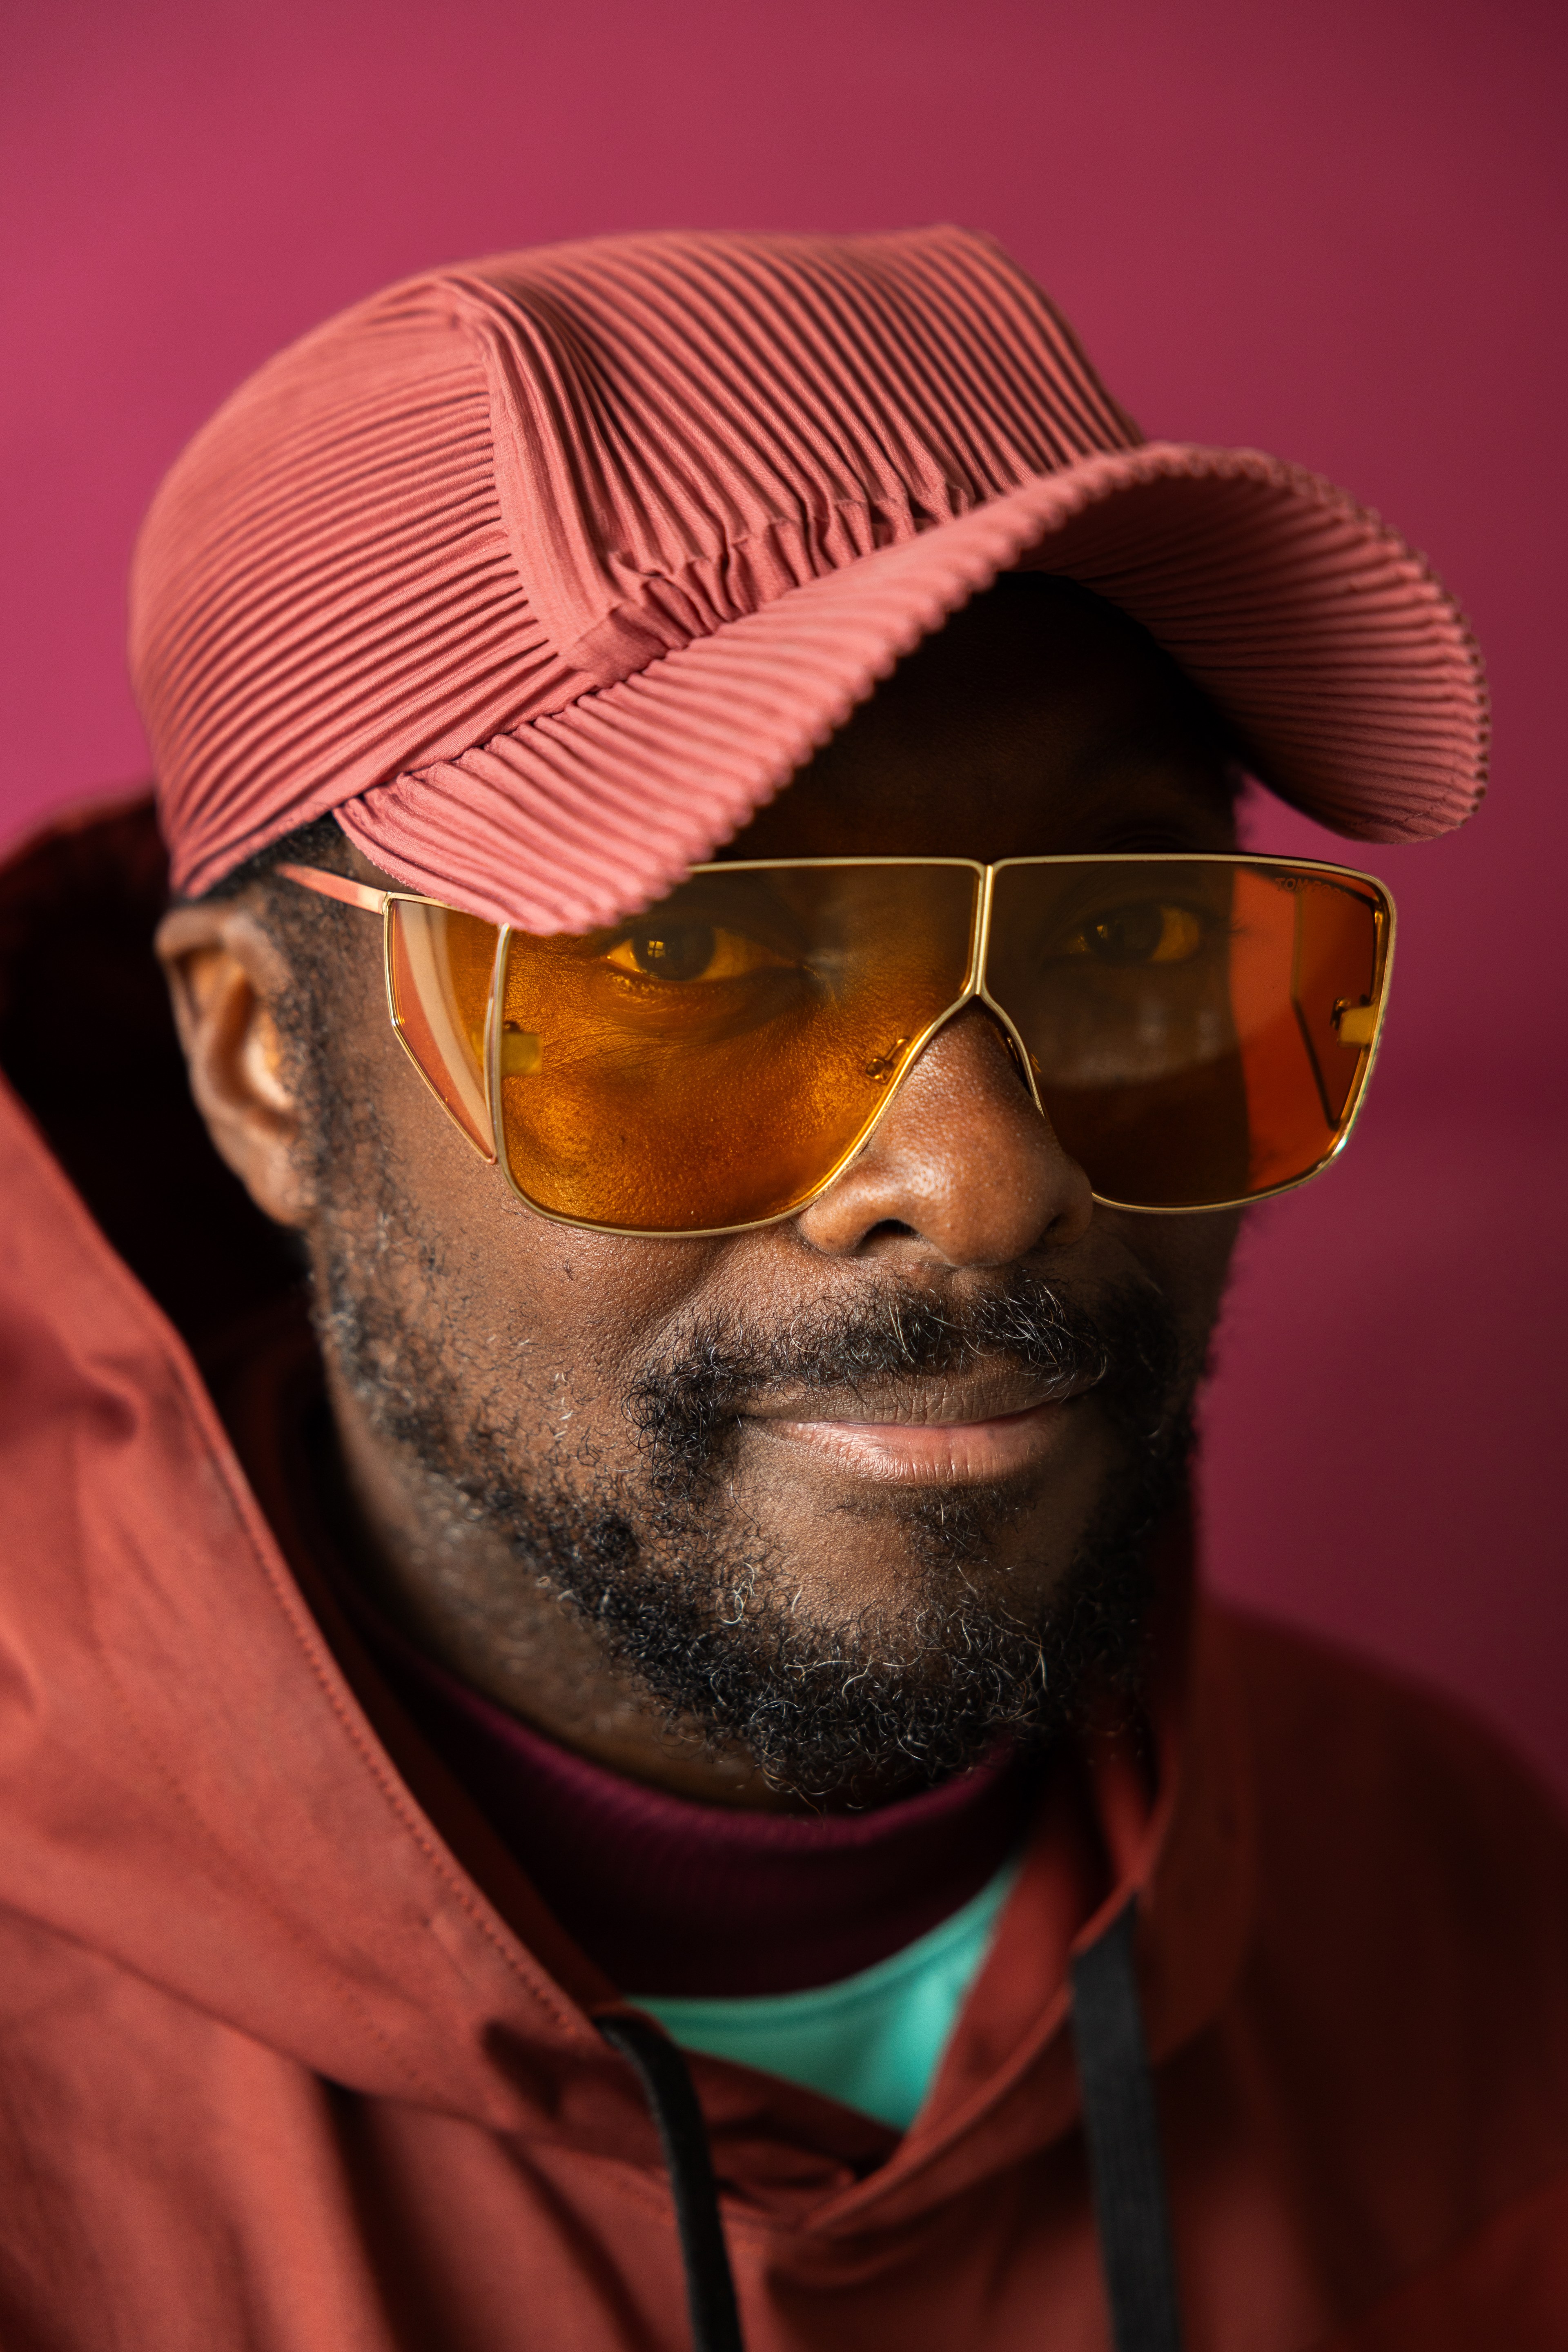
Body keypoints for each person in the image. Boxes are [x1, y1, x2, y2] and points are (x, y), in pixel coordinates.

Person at [0, 227, 1562, 2352]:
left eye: (1120, 941)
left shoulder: (1456, 1890)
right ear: (268, 1069)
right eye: (682, 956)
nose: (987, 1183)